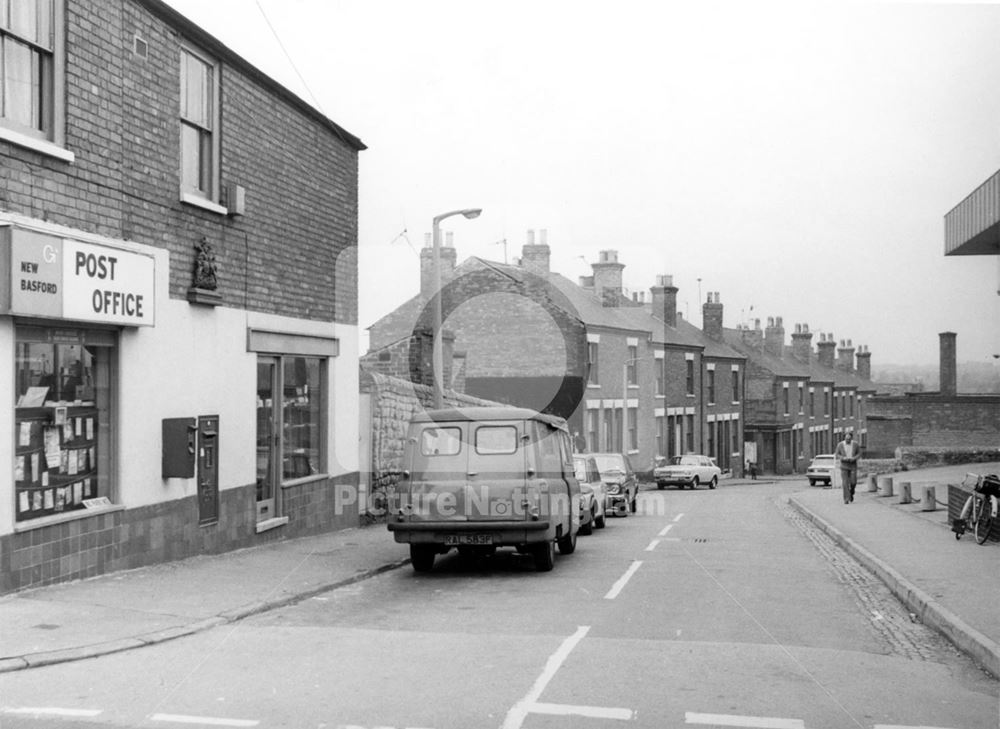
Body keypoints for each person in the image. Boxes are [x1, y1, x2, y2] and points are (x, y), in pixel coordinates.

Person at [835, 430, 860, 504]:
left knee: (853, 482)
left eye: (849, 439)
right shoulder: (840, 445)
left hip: (853, 465)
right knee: (845, 483)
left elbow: (859, 453)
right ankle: (846, 498)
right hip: (844, 465)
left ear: (851, 438)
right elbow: (837, 454)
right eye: (846, 439)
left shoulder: (855, 444)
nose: (847, 440)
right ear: (844, 438)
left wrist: (854, 458)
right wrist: (843, 458)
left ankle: (851, 492)